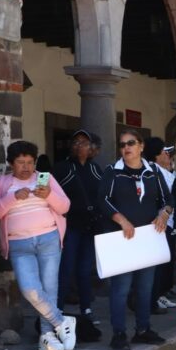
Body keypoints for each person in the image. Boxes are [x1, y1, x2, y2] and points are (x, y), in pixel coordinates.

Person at [0, 141, 76, 350]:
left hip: (48, 238)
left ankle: (47, 336)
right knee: (30, 290)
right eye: (21, 162)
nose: (26, 167)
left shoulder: (45, 178)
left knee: (49, 289)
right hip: (19, 243)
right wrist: (12, 197)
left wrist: (49, 195)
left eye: (30, 162)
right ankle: (61, 322)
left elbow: (65, 206)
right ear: (11, 164)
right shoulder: (2, 182)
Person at [98, 129, 173, 350]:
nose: (126, 148)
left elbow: (168, 199)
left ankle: (143, 329)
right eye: (122, 145)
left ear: (141, 146)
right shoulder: (113, 171)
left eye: (131, 143)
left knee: (145, 287)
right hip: (123, 237)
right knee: (121, 288)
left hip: (148, 237)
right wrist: (121, 220)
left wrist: (164, 214)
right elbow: (102, 199)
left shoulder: (153, 172)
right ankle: (119, 333)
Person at [52, 129, 103, 336]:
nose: (78, 145)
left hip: (90, 227)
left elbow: (102, 195)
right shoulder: (62, 168)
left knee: (84, 270)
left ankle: (86, 309)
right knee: (65, 269)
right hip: (69, 226)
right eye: (75, 142)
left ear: (92, 148)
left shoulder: (95, 169)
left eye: (84, 142)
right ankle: (57, 311)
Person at [143, 137, 176, 313]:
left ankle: (157, 296)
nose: (168, 156)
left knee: (163, 264)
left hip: (167, 223)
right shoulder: (153, 170)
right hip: (159, 223)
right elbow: (168, 195)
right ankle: (152, 300)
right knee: (156, 266)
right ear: (157, 155)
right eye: (165, 153)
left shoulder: (164, 171)